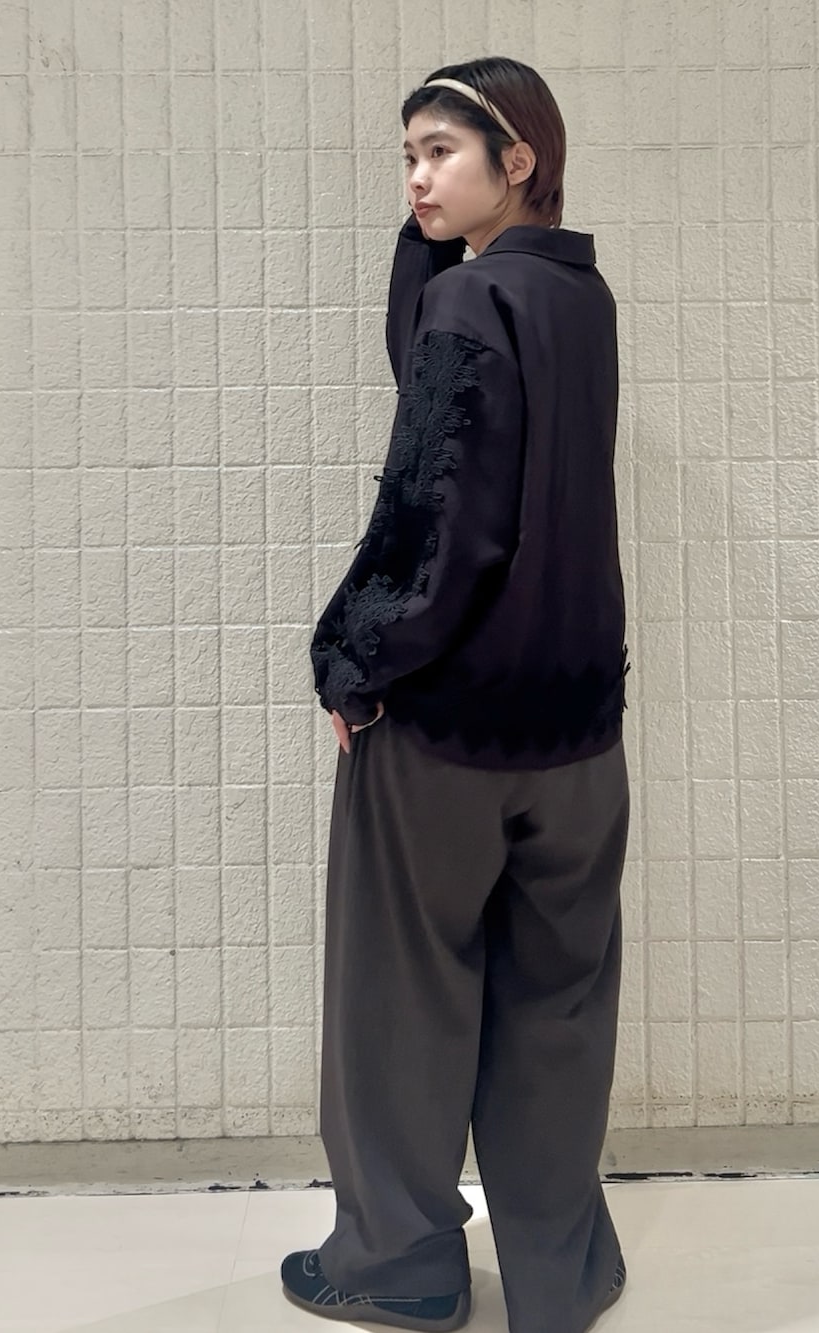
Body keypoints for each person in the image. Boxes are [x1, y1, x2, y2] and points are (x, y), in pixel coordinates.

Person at [280, 56, 630, 1333]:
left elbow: (435, 508)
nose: (416, 180)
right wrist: (438, 249)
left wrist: (351, 657)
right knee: (559, 1009)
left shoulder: (470, 301)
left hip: (447, 732)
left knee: (401, 1008)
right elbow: (432, 383)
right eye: (408, 158)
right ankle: (559, 1274)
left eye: (438, 152)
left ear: (515, 158)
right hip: (577, 734)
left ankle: (402, 1270)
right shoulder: (579, 296)